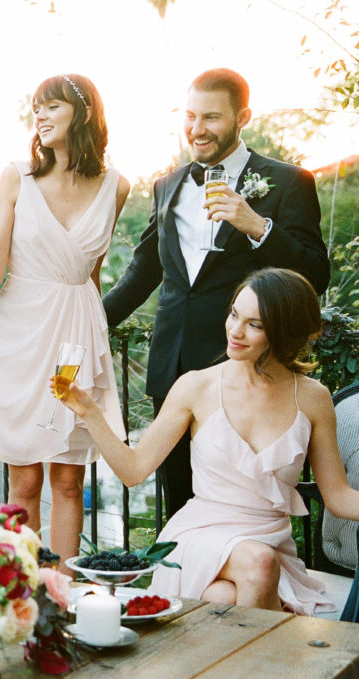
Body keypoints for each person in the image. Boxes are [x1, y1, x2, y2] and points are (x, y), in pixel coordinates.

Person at [58, 268, 359, 615]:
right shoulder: (195, 386)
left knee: (224, 598)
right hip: (200, 534)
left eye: (255, 324)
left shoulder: (312, 398)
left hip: (268, 540)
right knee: (259, 564)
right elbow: (134, 470)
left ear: (285, 331)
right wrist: (90, 412)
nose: (235, 330)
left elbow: (338, 497)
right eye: (234, 314)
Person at [102, 68, 329, 520]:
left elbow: (315, 275)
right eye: (190, 116)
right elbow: (142, 274)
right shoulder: (167, 185)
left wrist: (258, 227)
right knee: (179, 506)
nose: (197, 129)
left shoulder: (288, 182)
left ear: (242, 116)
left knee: (240, 501)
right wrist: (84, 324)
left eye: (211, 117)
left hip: (247, 368)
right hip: (173, 368)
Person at [0, 74, 128, 571]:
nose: (40, 116)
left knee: (67, 479)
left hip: (75, 338)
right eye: (36, 108)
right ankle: (23, 590)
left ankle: (66, 591)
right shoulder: (17, 177)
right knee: (26, 480)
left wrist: (94, 342)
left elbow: (90, 274)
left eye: (51, 106)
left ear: (82, 114)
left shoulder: (116, 186)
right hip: (19, 334)